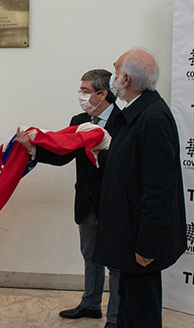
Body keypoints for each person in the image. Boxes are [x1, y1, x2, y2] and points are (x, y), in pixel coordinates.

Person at [16, 69, 122, 328]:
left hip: (114, 203)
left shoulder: (125, 121)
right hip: (86, 202)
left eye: (86, 91)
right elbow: (64, 153)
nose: (81, 95)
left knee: (116, 264)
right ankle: (90, 304)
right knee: (90, 255)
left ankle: (117, 317)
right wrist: (33, 147)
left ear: (103, 94)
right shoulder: (79, 119)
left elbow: (126, 163)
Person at [93, 49, 187, 327]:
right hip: (128, 233)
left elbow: (158, 189)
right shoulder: (136, 113)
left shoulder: (152, 118)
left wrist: (147, 245)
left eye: (116, 71)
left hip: (139, 239)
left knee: (141, 312)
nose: (112, 77)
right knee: (130, 305)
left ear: (127, 79)